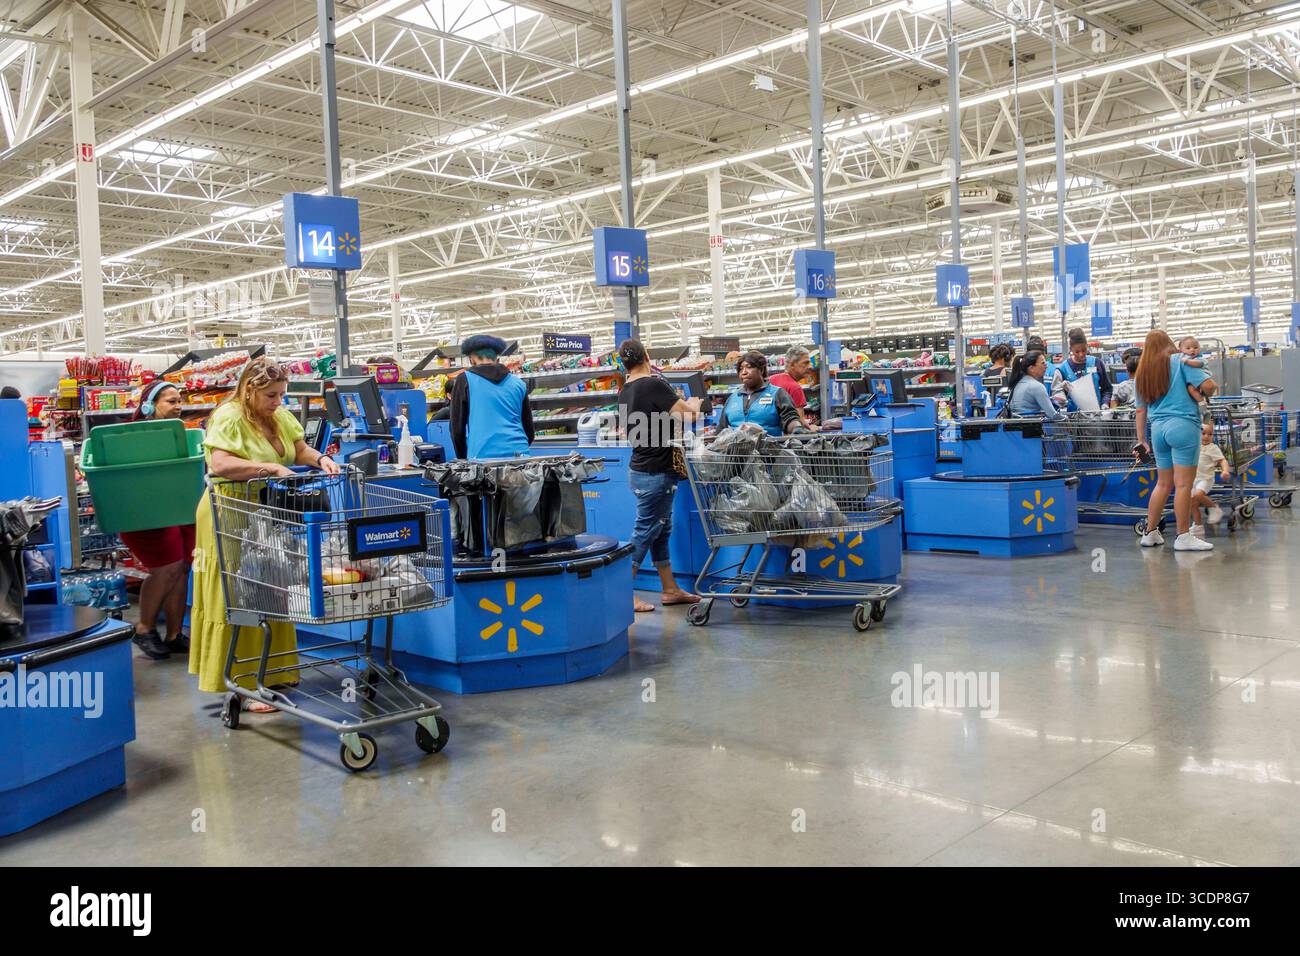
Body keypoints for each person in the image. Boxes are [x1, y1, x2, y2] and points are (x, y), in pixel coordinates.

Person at [189, 357, 340, 712]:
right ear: (249, 389)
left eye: (282, 395)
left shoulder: (279, 417)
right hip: (228, 511)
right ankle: (240, 682)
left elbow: (299, 449)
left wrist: (321, 460)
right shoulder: (228, 417)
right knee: (238, 591)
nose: (278, 402)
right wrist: (270, 466)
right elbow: (221, 464)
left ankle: (272, 671)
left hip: (263, 511)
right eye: (271, 395)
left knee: (270, 585)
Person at [616, 339, 703, 613]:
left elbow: (627, 430)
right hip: (656, 471)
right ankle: (622, 594)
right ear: (646, 356)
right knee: (644, 532)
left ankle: (669, 589)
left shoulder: (625, 390)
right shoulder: (653, 384)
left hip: (640, 468)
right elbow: (689, 418)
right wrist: (695, 402)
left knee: (660, 531)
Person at [117, 380, 195, 661]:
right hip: (145, 511)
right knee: (166, 568)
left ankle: (174, 634)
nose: (178, 406)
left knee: (183, 568)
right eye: (171, 401)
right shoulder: (131, 436)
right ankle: (144, 628)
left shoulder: (181, 432)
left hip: (178, 508)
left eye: (179, 400)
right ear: (150, 405)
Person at [1133, 329, 1218, 551]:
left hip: (1157, 430)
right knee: (1183, 484)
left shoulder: (1142, 372)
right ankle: (1183, 536)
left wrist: (1141, 440)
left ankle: (1150, 532)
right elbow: (1209, 387)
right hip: (1183, 426)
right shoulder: (1181, 360)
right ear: (1169, 343)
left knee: (1162, 483)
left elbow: (1140, 411)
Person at [449, 334, 533, 459]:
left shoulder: (465, 380)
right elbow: (529, 429)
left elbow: (457, 430)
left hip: (482, 457)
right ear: (497, 358)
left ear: (472, 359)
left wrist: (463, 459)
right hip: (519, 455)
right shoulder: (518, 383)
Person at [716, 351, 808, 436]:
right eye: (741, 369)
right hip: (737, 452)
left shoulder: (777, 393)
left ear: (761, 370)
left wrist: (797, 428)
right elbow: (721, 429)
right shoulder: (733, 398)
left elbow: (790, 418)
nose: (744, 372)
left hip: (768, 451)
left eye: (749, 367)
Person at [1053, 327, 1111, 411]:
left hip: (1096, 414)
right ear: (1071, 350)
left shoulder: (1096, 363)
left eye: (1084, 350)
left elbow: (1107, 389)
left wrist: (1105, 403)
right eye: (1077, 351)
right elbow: (1057, 394)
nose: (1081, 354)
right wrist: (1063, 393)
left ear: (1087, 346)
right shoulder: (1063, 369)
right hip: (1073, 417)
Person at [1190, 421, 1229, 534]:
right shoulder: (1194, 445)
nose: (1206, 436)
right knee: (1193, 504)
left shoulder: (1213, 448)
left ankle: (1214, 508)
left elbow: (1222, 460)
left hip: (1205, 479)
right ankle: (1198, 526)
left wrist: (1225, 471)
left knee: (1198, 494)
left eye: (1210, 434)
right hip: (1192, 480)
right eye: (1203, 433)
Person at [1007, 351, 1066, 420]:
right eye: (1043, 363)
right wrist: (1067, 418)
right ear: (1031, 368)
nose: (1046, 366)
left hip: (1017, 426)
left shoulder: (1017, 384)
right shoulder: (1036, 386)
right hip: (1031, 427)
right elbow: (1052, 415)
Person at [768, 346, 817, 430]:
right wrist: (812, 428)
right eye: (806, 363)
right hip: (786, 438)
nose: (810, 366)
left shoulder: (770, 379)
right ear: (792, 365)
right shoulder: (795, 387)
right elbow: (799, 423)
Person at [1026, 335, 1064, 406]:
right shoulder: (1022, 369)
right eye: (1033, 355)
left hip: (1049, 414)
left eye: (1039, 355)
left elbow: (1058, 393)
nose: (1036, 358)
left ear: (1044, 354)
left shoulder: (1052, 371)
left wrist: (1056, 400)